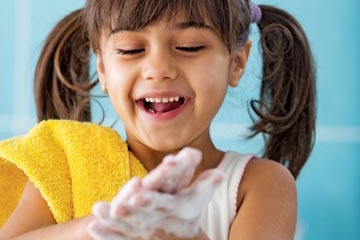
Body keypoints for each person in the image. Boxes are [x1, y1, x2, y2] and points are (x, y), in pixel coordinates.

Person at [0, 0, 316, 239]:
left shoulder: (258, 185)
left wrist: (182, 233)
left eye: (189, 46)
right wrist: (101, 225)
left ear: (236, 63)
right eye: (131, 49)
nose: (159, 68)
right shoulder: (68, 167)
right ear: (104, 70)